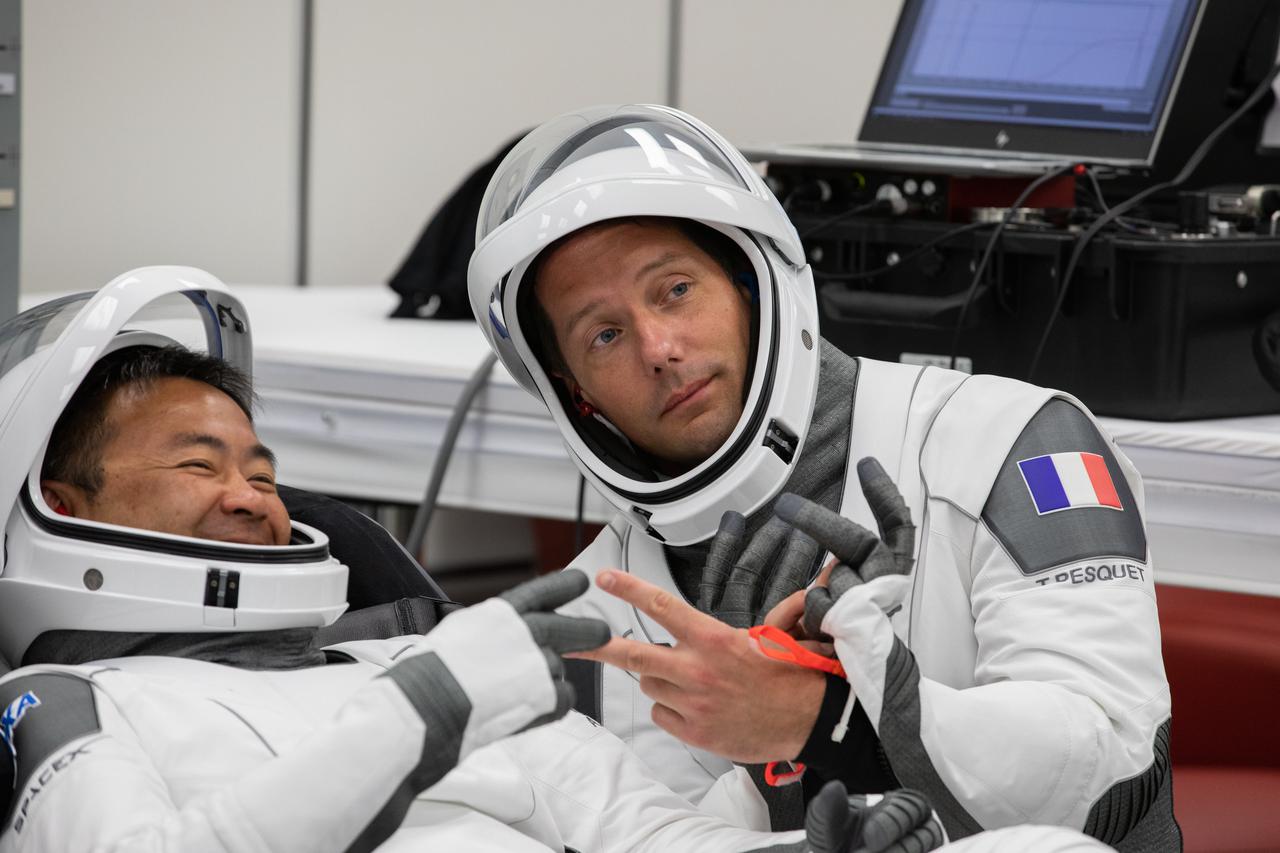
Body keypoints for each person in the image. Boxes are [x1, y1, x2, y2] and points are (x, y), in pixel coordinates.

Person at [0, 269, 980, 853]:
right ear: (59, 501)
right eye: (196, 462)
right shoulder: (59, 700)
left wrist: (812, 819)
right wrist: (415, 714)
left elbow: (654, 841)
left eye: (260, 465)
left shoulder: (416, 658)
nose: (255, 491)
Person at [467, 104, 1178, 850]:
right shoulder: (603, 609)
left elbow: (1113, 766)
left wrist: (834, 715)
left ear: (751, 279)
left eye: (674, 289)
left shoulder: (1019, 444)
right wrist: (774, 775)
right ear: (574, 392)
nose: (658, 347)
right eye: (604, 335)